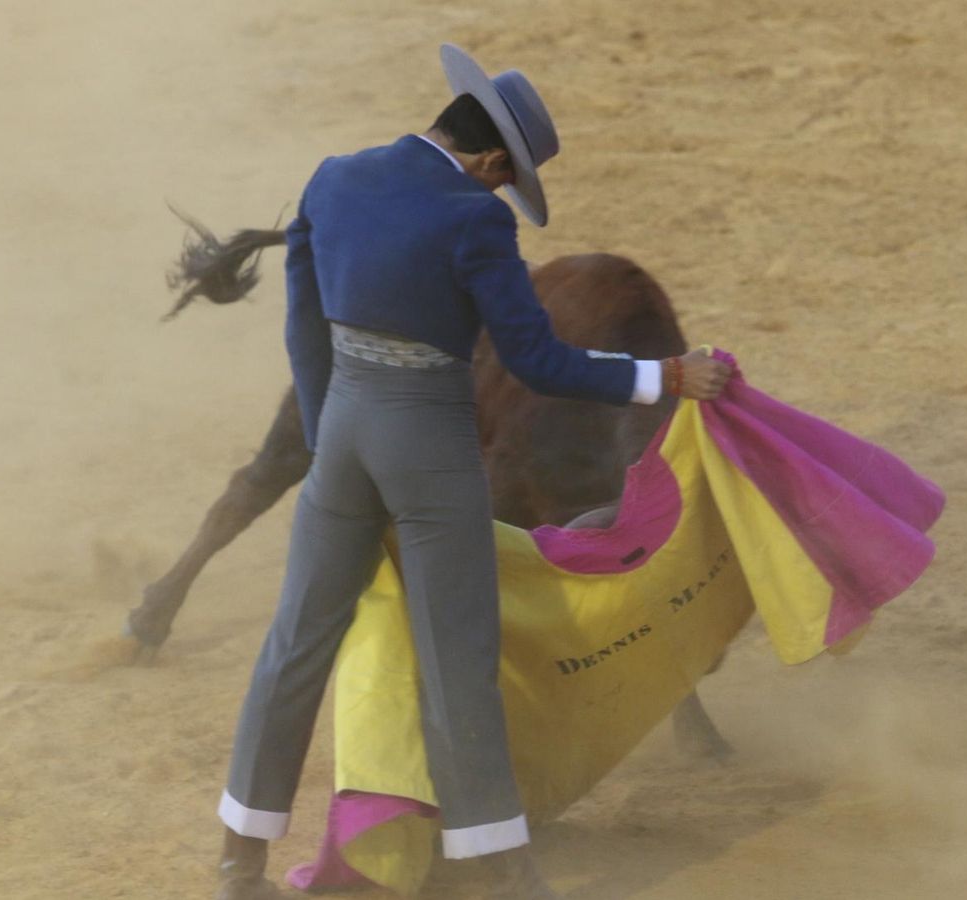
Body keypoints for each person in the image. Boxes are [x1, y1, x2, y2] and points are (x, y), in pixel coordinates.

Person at [213, 44, 730, 900]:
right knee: (460, 661)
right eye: (504, 180)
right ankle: (505, 870)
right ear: (493, 160)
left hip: (341, 428)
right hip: (426, 442)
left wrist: (331, 440)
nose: (500, 195)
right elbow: (534, 360)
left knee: (293, 647)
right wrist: (664, 378)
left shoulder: (333, 177)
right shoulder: (474, 219)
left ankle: (240, 865)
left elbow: (303, 329)